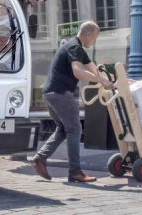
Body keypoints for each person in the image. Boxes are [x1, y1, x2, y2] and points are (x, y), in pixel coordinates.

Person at [32, 21, 114, 183]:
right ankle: (75, 171)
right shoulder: (74, 47)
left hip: (50, 93)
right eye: (95, 38)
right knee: (75, 129)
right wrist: (100, 80)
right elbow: (78, 71)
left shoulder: (77, 48)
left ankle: (40, 158)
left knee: (64, 129)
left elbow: (94, 70)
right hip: (61, 93)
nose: (94, 41)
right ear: (88, 35)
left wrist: (117, 80)